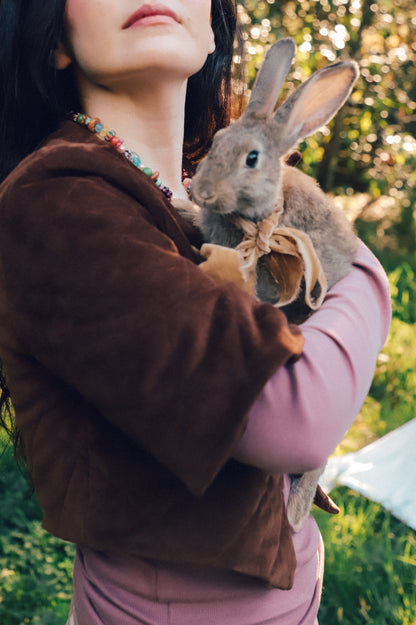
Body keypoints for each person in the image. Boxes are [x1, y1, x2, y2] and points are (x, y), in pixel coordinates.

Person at [0, 1, 391, 624]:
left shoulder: (186, 189)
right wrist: (369, 279)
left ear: (210, 27)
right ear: (54, 40)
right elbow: (296, 417)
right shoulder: (58, 201)